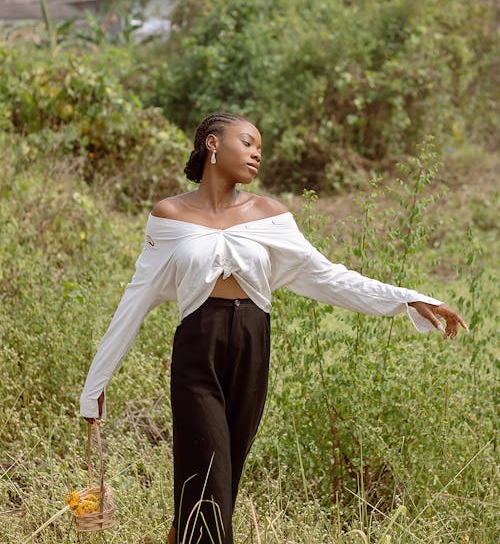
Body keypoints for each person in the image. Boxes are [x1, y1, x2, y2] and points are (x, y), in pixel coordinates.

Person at [80, 112, 467, 544]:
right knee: (207, 471)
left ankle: (178, 535)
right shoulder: (169, 216)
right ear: (212, 144)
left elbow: (329, 276)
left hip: (252, 345)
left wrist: (408, 297)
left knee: (223, 477)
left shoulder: (269, 215)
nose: (256, 152)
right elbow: (136, 297)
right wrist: (96, 385)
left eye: (258, 146)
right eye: (246, 142)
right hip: (197, 347)